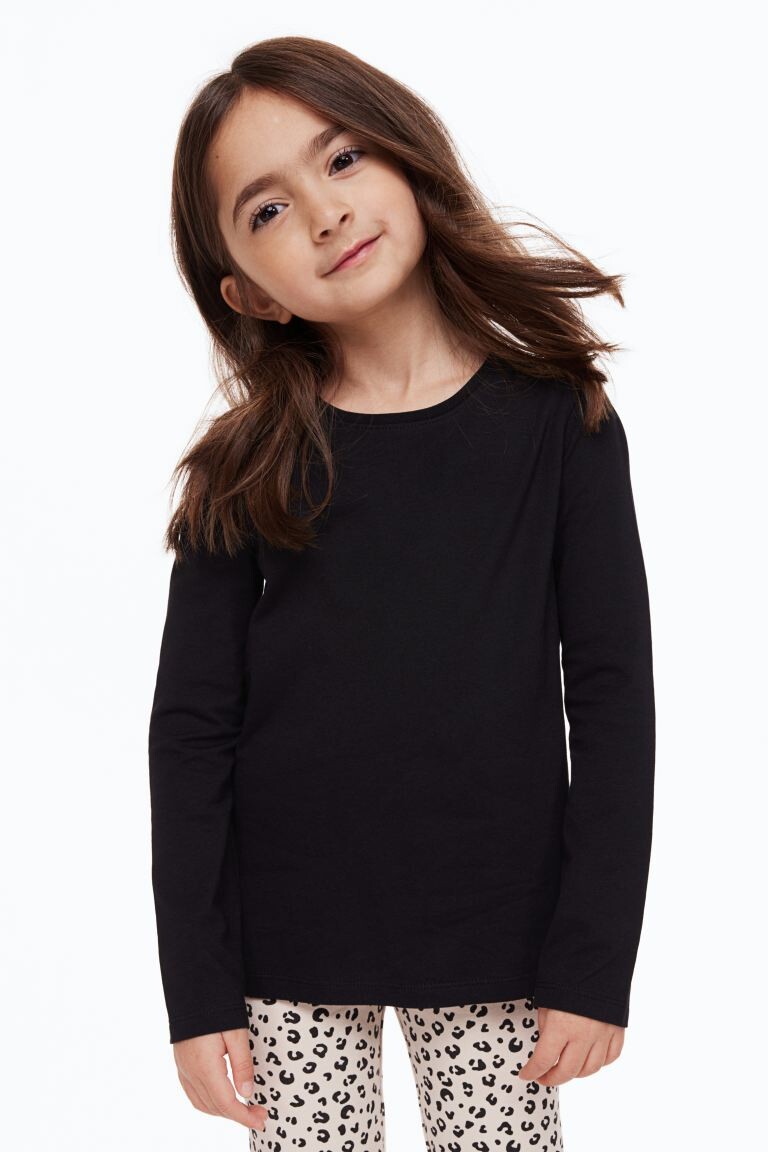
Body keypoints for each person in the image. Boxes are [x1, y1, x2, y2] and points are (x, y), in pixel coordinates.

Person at [147, 35, 655, 1152]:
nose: (325, 213)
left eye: (341, 159)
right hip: (285, 947)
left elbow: (614, 699)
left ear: (407, 159)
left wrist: (593, 959)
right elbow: (189, 731)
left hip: (500, 936)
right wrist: (198, 990)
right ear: (248, 291)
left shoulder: (561, 422)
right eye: (268, 209)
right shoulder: (243, 465)